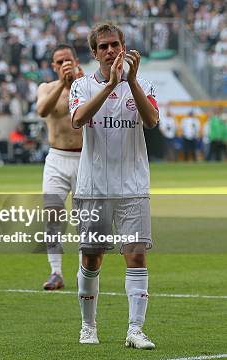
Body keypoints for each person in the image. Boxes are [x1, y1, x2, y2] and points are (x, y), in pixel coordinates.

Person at [69, 22, 159, 349]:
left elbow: (151, 120)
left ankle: (135, 330)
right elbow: (77, 120)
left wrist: (130, 82)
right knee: (92, 258)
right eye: (103, 46)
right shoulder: (81, 86)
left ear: (124, 47)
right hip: (94, 187)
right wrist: (109, 86)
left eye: (115, 45)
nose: (110, 51)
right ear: (94, 53)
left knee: (135, 255)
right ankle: (88, 326)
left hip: (133, 186)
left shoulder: (144, 84)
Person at [35, 43, 83, 291]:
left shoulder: (88, 85)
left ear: (76, 60)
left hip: (85, 158)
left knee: (85, 219)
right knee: (52, 214)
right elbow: (42, 110)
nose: (65, 64)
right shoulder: (46, 88)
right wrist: (63, 85)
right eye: (60, 61)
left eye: (68, 60)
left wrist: (77, 83)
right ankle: (56, 272)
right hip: (57, 158)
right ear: (53, 66)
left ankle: (83, 272)